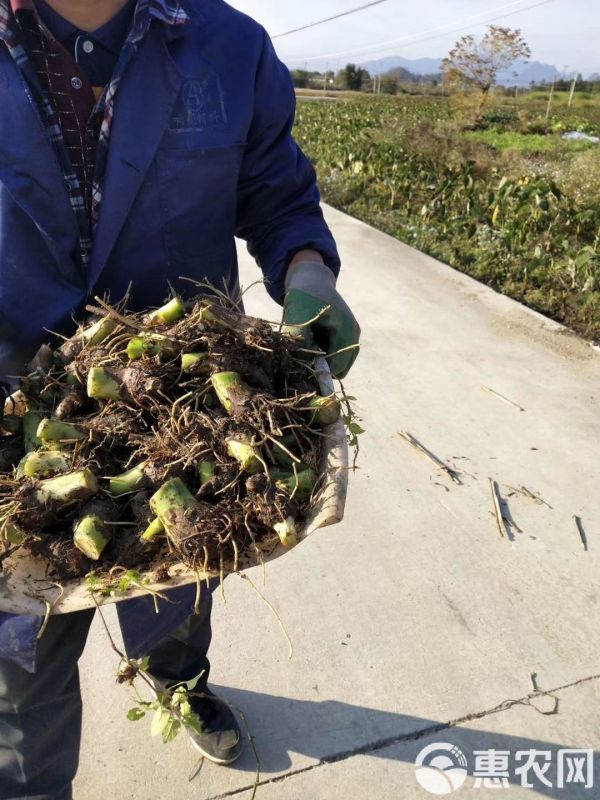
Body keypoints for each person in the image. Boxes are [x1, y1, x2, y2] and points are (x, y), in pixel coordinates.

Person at [0, 0, 360, 796]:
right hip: (17, 437)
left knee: (184, 590)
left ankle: (179, 681)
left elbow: (278, 193)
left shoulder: (230, 45)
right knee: (16, 680)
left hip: (187, 408)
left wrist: (307, 270)